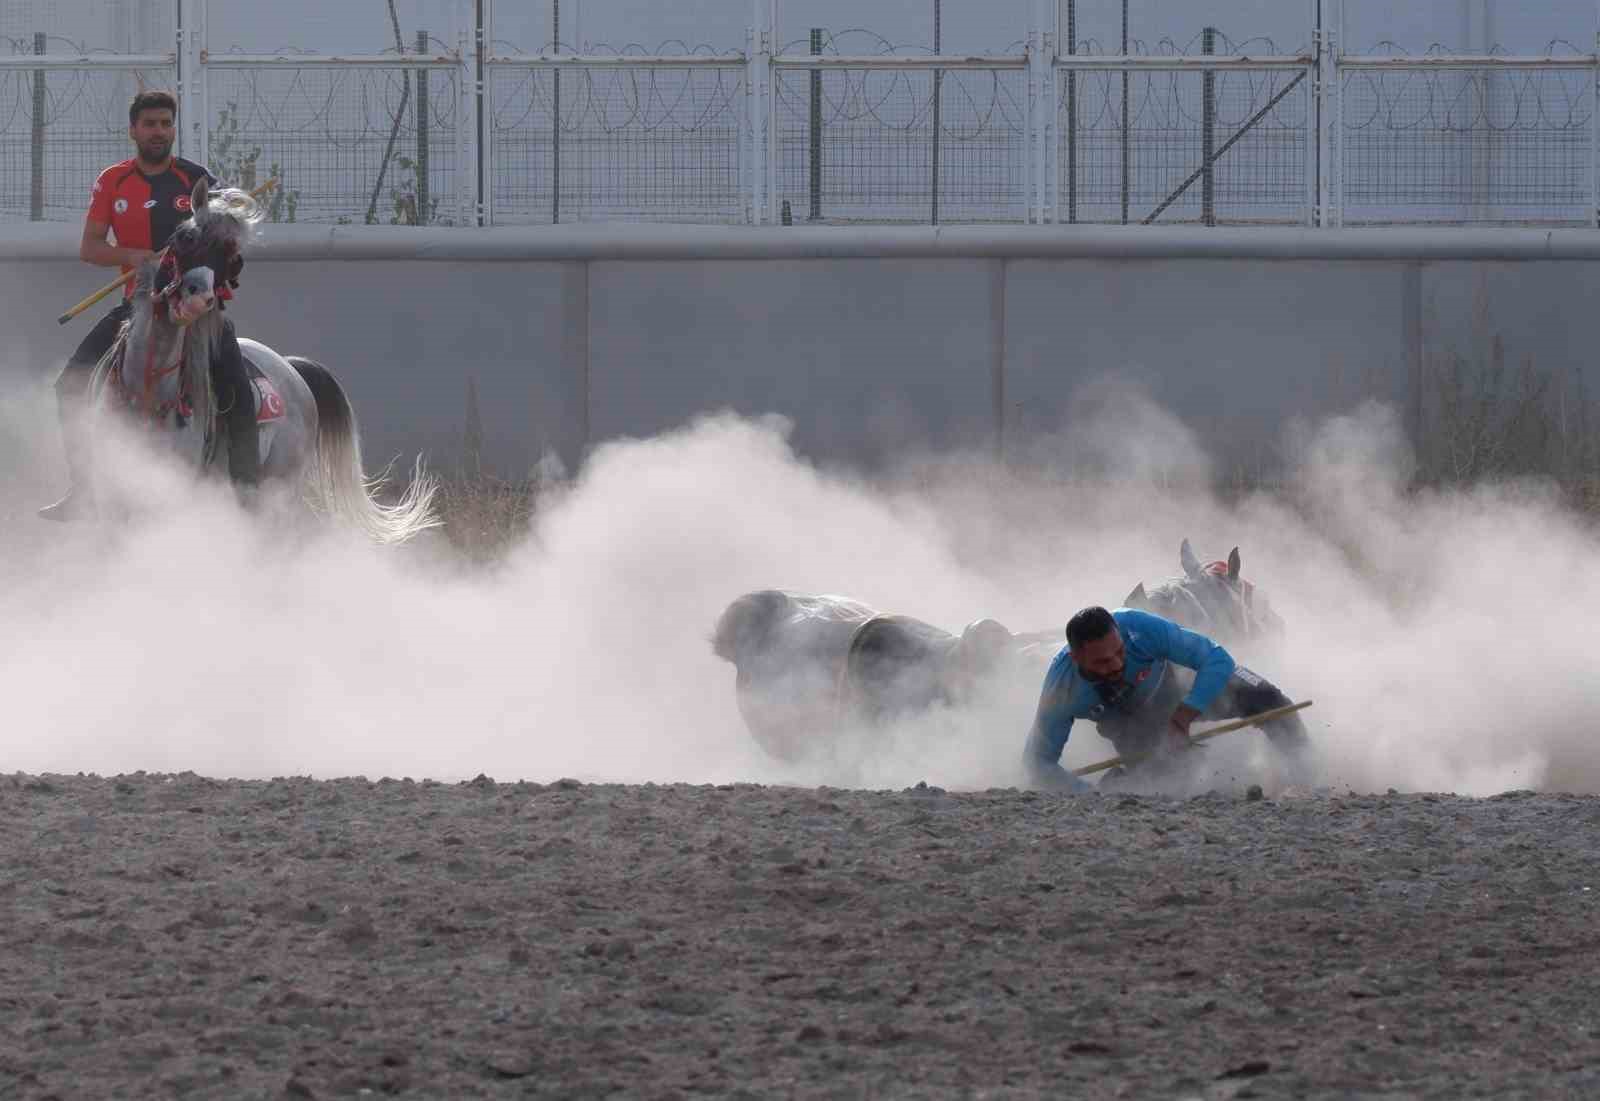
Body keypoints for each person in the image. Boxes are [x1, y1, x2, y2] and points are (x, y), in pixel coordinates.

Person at [39, 89, 258, 521]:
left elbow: (228, 240)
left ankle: (247, 486)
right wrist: (135, 256)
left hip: (197, 311)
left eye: (166, 124)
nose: (159, 132)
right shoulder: (113, 181)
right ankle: (83, 489)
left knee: (237, 383)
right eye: (150, 124)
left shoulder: (198, 179)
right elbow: (90, 247)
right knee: (69, 385)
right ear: (133, 131)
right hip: (135, 307)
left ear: (174, 128)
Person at [1021, 605, 1310, 793]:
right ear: (1076, 658)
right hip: (1133, 728)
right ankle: (1116, 783)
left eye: (1120, 653)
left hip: (1177, 691)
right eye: (1102, 663)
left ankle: (1309, 779)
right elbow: (1038, 763)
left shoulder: (1141, 628)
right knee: (1161, 783)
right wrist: (1089, 795)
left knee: (1271, 701)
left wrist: (1184, 715)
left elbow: (1217, 659)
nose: (1117, 665)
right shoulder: (1061, 688)